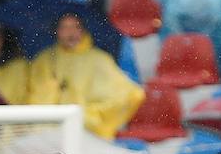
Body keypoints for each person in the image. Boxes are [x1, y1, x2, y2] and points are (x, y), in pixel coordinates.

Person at [27, 12, 145, 140]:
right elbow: (36, 99)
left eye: (75, 27)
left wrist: (91, 116)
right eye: (64, 27)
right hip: (49, 134)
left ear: (82, 30)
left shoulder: (99, 59)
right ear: (56, 31)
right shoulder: (44, 60)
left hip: (89, 135)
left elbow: (130, 95)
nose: (70, 32)